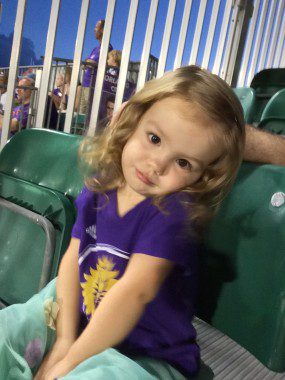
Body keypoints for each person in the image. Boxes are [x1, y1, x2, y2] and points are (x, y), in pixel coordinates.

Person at [0, 65, 245, 379]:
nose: (156, 164)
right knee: (14, 326)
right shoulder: (100, 187)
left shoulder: (174, 214)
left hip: (146, 357)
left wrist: (67, 360)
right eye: (154, 138)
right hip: (86, 321)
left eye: (183, 162)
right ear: (132, 120)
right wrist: (63, 340)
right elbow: (73, 259)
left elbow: (134, 294)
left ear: (204, 176)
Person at [79, 19, 113, 115]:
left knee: (89, 115)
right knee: (82, 115)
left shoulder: (107, 47)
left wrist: (90, 62)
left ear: (102, 30)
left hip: (93, 86)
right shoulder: (95, 48)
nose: (94, 30)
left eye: (96, 27)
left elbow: (101, 64)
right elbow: (88, 62)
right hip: (85, 85)